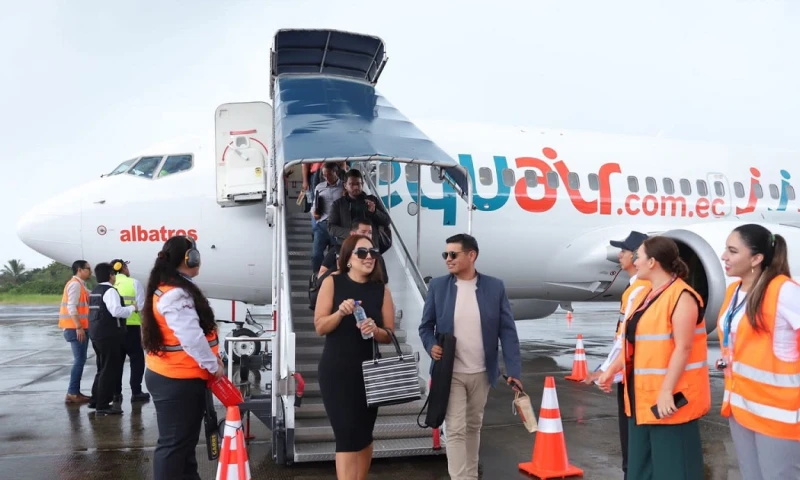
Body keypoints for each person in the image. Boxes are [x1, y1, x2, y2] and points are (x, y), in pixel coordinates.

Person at [597, 236, 710, 480]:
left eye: (639, 256)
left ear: (653, 262)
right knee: (641, 469)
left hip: (669, 401)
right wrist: (611, 370)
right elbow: (632, 342)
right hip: (641, 399)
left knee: (674, 468)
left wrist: (667, 391)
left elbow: (683, 348)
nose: (634, 260)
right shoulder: (642, 296)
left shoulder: (682, 296)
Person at [418, 233, 523, 480]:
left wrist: (514, 371)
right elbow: (425, 326)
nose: (448, 259)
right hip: (450, 372)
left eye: (453, 254)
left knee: (474, 426)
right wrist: (431, 345)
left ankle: (471, 475)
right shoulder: (438, 287)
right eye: (446, 254)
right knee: (455, 429)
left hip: (482, 373)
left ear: (471, 255)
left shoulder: (494, 287)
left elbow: (507, 331)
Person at [717, 224, 800, 479]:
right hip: (740, 407)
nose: (724, 257)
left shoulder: (783, 290)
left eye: (732, 251)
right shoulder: (734, 292)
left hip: (778, 413)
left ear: (756, 258)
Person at [140, 235, 224, 480]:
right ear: (190, 258)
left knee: (183, 445)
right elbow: (191, 338)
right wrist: (213, 365)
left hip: (173, 376)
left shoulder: (169, 287)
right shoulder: (176, 294)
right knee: (174, 445)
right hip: (177, 379)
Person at [313, 234, 395, 480]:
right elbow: (320, 327)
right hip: (337, 372)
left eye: (373, 252)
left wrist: (375, 329)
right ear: (348, 259)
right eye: (362, 253)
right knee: (347, 436)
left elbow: (388, 335)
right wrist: (340, 313)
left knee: (364, 435)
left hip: (369, 374)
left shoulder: (381, 290)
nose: (369, 257)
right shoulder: (333, 283)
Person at [583, 230, 650, 480]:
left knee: (632, 440)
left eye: (624, 250)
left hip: (634, 376)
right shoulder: (635, 288)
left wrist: (608, 371)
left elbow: (628, 339)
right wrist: (607, 368)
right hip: (629, 371)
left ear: (639, 256)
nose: (619, 254)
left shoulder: (640, 289)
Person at [87, 262, 138, 416]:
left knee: (102, 368)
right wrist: (132, 308)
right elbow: (116, 311)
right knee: (109, 369)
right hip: (109, 335)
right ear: (111, 275)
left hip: (96, 334)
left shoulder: (95, 291)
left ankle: (95, 399)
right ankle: (103, 405)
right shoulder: (110, 291)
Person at [110, 259, 150, 403]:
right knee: (137, 360)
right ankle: (136, 392)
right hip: (131, 327)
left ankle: (116, 393)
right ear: (124, 268)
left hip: (114, 329)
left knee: (116, 362)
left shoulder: (110, 285)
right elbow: (141, 306)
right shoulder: (134, 282)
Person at [327, 169, 391, 251]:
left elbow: (387, 221)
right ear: (345, 185)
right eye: (352, 184)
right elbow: (331, 228)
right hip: (347, 247)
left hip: (370, 246)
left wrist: (374, 212)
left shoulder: (372, 200)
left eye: (358, 184)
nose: (356, 187)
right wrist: (351, 233)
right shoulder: (338, 204)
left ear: (363, 184)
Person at [60, 260, 93, 404]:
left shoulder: (81, 285)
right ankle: (73, 392)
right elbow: (71, 307)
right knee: (79, 360)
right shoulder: (75, 285)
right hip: (75, 329)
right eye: (88, 269)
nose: (90, 272)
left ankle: (73, 392)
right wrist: (79, 327)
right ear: (80, 270)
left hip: (77, 328)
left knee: (80, 360)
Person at [311, 162, 344, 273]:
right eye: (324, 175)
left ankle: (333, 278)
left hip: (337, 226)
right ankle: (316, 277)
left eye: (329, 174)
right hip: (322, 224)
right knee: (316, 255)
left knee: (336, 255)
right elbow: (314, 205)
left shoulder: (344, 187)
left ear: (336, 173)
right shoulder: (319, 187)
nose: (327, 177)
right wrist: (314, 214)